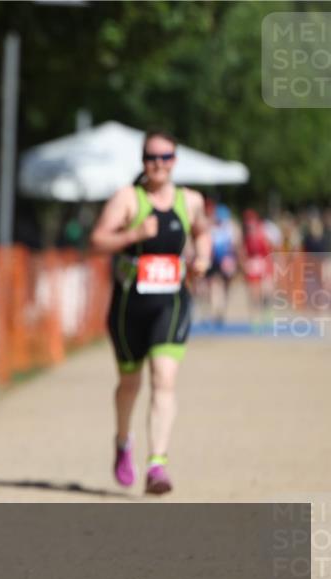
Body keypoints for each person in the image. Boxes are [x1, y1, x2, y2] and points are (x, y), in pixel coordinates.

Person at [90, 130, 211, 495]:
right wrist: (134, 233)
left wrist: (202, 257)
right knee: (130, 383)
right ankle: (123, 442)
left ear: (175, 160)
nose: (157, 164)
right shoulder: (128, 199)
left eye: (165, 157)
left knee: (164, 377)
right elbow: (97, 241)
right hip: (130, 306)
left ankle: (157, 463)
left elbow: (202, 231)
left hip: (172, 302)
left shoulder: (190, 200)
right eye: (150, 157)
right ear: (143, 161)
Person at [206, 203, 240, 327]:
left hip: (225, 260)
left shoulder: (230, 227)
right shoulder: (218, 227)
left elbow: (235, 245)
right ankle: (217, 310)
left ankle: (219, 309)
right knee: (216, 285)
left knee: (222, 286)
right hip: (219, 260)